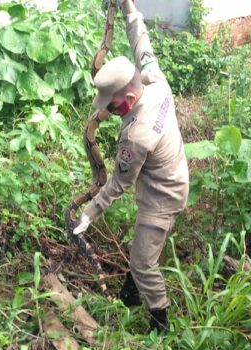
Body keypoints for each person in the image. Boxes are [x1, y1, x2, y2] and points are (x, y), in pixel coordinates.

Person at [73, 0, 189, 332]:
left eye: (110, 106)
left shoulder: (136, 136)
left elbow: (119, 184)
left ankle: (160, 323)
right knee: (141, 246)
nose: (106, 112)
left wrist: (89, 214)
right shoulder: (152, 77)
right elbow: (141, 40)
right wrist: (128, 7)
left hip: (163, 196)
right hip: (170, 171)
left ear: (126, 101)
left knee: (143, 262)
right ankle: (130, 293)